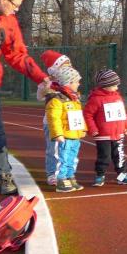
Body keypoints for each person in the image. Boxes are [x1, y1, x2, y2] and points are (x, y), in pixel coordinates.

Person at [0, 0, 49, 195]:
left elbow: (17, 55)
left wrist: (41, 78)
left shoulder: (8, 21)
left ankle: (2, 175)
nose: (16, 10)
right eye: (14, 5)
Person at [83, 69, 127, 187]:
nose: (117, 87)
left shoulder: (118, 97)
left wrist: (126, 124)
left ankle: (121, 176)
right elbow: (88, 115)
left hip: (118, 134)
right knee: (104, 157)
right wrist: (92, 129)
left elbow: (123, 113)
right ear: (105, 85)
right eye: (114, 85)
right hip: (103, 135)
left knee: (119, 157)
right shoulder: (96, 99)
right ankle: (100, 175)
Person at [44, 65, 86, 193]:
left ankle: (69, 175)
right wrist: (58, 134)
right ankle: (60, 179)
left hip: (74, 135)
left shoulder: (75, 99)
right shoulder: (56, 100)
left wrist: (83, 129)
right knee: (61, 158)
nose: (79, 84)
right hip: (64, 136)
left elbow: (79, 115)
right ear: (69, 82)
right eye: (77, 81)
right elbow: (53, 118)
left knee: (72, 157)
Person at [37, 50, 72, 186]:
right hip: (52, 122)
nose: (68, 67)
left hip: (68, 121)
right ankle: (52, 173)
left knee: (69, 148)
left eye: (69, 64)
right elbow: (39, 97)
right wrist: (45, 87)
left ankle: (67, 172)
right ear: (54, 69)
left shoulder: (71, 80)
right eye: (65, 65)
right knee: (54, 149)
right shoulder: (48, 82)